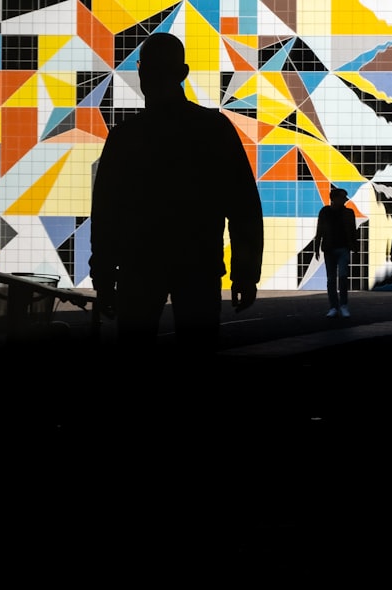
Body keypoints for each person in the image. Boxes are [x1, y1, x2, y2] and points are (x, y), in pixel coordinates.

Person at [89, 32, 264, 354]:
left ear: (141, 73)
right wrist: (245, 274)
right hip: (198, 265)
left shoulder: (125, 137)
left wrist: (103, 277)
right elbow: (244, 208)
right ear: (183, 73)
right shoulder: (214, 129)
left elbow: (105, 215)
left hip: (138, 268)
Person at [314, 187, 358, 318]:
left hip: (343, 248)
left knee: (342, 277)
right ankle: (334, 306)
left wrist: (354, 248)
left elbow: (353, 231)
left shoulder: (349, 213)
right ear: (334, 199)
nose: (345, 200)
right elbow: (319, 230)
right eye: (342, 197)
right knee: (331, 279)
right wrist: (316, 247)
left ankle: (343, 305)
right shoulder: (325, 212)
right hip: (329, 249)